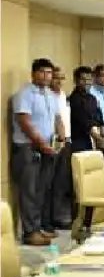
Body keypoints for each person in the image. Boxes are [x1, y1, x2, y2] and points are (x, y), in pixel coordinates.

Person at [11, 58, 64, 245]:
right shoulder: (24, 94)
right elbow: (24, 122)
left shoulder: (51, 95)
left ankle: (39, 227)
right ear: (33, 74)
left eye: (49, 73)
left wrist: (61, 137)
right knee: (29, 190)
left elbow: (57, 119)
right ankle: (30, 232)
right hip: (28, 147)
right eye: (42, 72)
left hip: (48, 147)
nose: (46, 76)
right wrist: (41, 143)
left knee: (42, 189)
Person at [50, 67, 73, 229]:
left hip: (66, 141)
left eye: (62, 78)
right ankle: (51, 218)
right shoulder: (48, 96)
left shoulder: (63, 95)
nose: (59, 81)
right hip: (53, 142)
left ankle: (58, 216)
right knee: (51, 182)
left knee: (62, 181)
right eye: (56, 77)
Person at [69, 66, 104, 153]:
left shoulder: (92, 98)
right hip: (79, 141)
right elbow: (84, 122)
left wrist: (103, 134)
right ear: (76, 80)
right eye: (83, 79)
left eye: (89, 79)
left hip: (94, 139)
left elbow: (99, 117)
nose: (87, 82)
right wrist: (98, 138)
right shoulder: (74, 99)